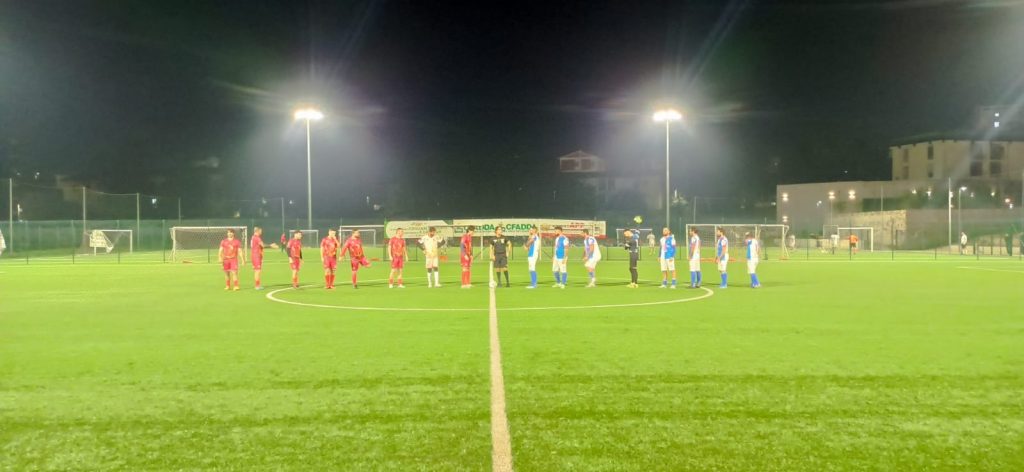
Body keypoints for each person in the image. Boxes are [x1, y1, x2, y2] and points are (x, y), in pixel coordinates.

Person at [250, 226, 277, 290]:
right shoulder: (257, 238)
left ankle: (257, 285)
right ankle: (257, 286)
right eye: (261, 231)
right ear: (258, 231)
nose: (261, 232)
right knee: (258, 271)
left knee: (256, 271)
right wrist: (271, 246)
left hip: (254, 255)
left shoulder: (253, 237)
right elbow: (263, 245)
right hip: (257, 256)